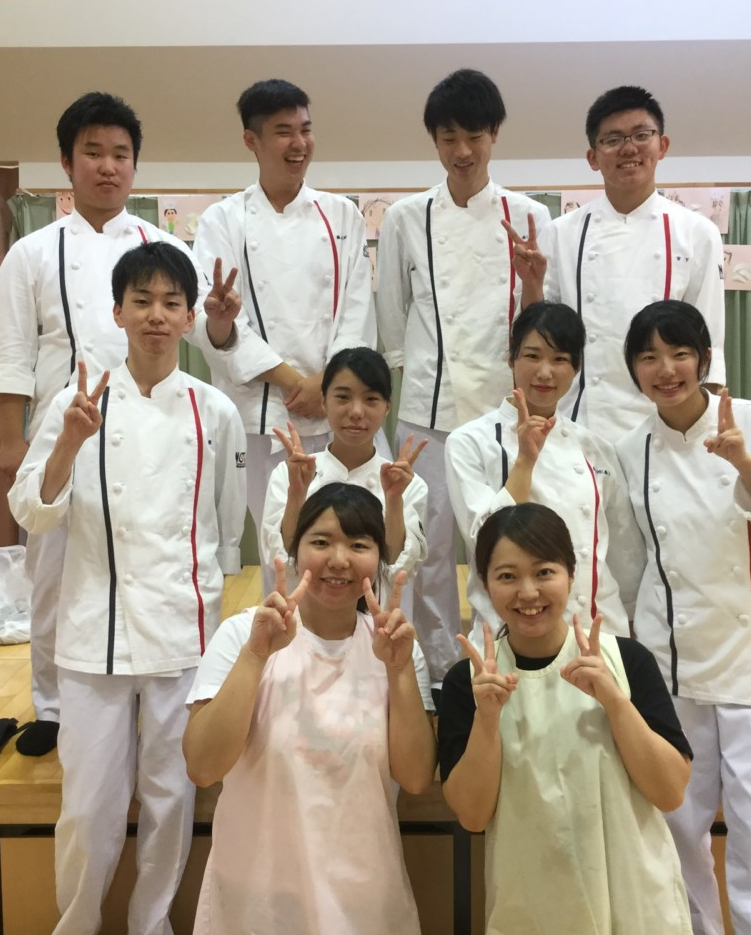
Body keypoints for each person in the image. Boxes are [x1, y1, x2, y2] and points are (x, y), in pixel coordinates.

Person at [0, 91, 247, 756]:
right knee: (55, 578)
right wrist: (12, 440)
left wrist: (220, 320)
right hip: (68, 430)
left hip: (154, 424)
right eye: (93, 153)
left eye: (121, 155)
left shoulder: (164, 246)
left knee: (152, 565)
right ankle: (52, 705)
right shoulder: (32, 253)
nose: (108, 167)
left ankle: (158, 691)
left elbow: (204, 337)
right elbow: (11, 352)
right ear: (66, 163)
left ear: (135, 165)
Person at [8, 241, 246, 935]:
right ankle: (76, 923)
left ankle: (152, 925)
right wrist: (67, 444)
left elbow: (225, 523)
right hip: (95, 632)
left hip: (180, 630)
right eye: (141, 301)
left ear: (190, 317)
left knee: (172, 800)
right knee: (88, 807)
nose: (156, 315)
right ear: (117, 312)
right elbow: (29, 510)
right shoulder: (77, 402)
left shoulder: (213, 410)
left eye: (171, 303)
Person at [615, 300, 751, 935]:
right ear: (633, 369)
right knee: (675, 828)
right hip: (671, 668)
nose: (666, 369)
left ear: (704, 359)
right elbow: (631, 562)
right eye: (649, 357)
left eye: (679, 354)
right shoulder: (630, 449)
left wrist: (746, 467)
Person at [183, 482, 436, 934]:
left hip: (364, 899)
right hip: (256, 904)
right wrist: (255, 656)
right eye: (321, 542)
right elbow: (202, 766)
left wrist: (399, 671)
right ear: (295, 551)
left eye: (358, 545)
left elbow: (416, 778)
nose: (338, 560)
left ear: (380, 559)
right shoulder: (243, 635)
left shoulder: (397, 649)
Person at [439, 502, 693, 935]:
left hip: (635, 900)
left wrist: (615, 701)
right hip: (532, 905)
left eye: (544, 572)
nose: (528, 592)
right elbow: (473, 816)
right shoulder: (470, 682)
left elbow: (670, 792)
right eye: (507, 576)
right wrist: (487, 721)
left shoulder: (626, 660)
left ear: (571, 575)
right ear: (484, 583)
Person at [376, 68, 552, 687]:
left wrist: (533, 282)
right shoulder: (405, 217)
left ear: (494, 134)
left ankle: (503, 664)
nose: (462, 151)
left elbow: (541, 324)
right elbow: (391, 316)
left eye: (474, 136)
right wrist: (410, 378)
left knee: (502, 544)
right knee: (425, 551)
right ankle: (439, 676)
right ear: (434, 140)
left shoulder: (530, 215)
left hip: (505, 413)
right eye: (448, 137)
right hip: (426, 412)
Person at [193, 79, 376, 594]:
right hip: (263, 415)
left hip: (338, 412)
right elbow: (215, 322)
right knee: (282, 542)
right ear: (251, 141)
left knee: (352, 541)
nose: (299, 144)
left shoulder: (341, 215)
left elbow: (356, 310)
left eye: (306, 130)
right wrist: (298, 383)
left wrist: (330, 386)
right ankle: (284, 638)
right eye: (283, 132)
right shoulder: (222, 220)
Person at [510, 84, 726, 443]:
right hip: (580, 421)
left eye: (641, 135)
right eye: (612, 140)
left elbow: (710, 346)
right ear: (593, 157)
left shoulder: (697, 232)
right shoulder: (562, 233)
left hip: (667, 422)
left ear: (662, 145)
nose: (628, 148)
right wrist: (531, 284)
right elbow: (538, 332)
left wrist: (705, 435)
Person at [445, 302, 642, 637]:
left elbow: (624, 555)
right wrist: (525, 461)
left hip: (598, 629)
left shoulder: (596, 448)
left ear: (577, 368)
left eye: (560, 359)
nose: (545, 372)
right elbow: (482, 539)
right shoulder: (470, 442)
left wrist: (633, 626)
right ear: (511, 359)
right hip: (512, 631)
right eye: (532, 356)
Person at [261, 347, 428, 597]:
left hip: (375, 614)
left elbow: (397, 570)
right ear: (323, 402)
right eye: (342, 397)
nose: (356, 412)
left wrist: (394, 501)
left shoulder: (408, 485)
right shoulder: (289, 474)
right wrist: (297, 494)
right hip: (303, 612)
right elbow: (281, 560)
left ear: (387, 408)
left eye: (371, 399)